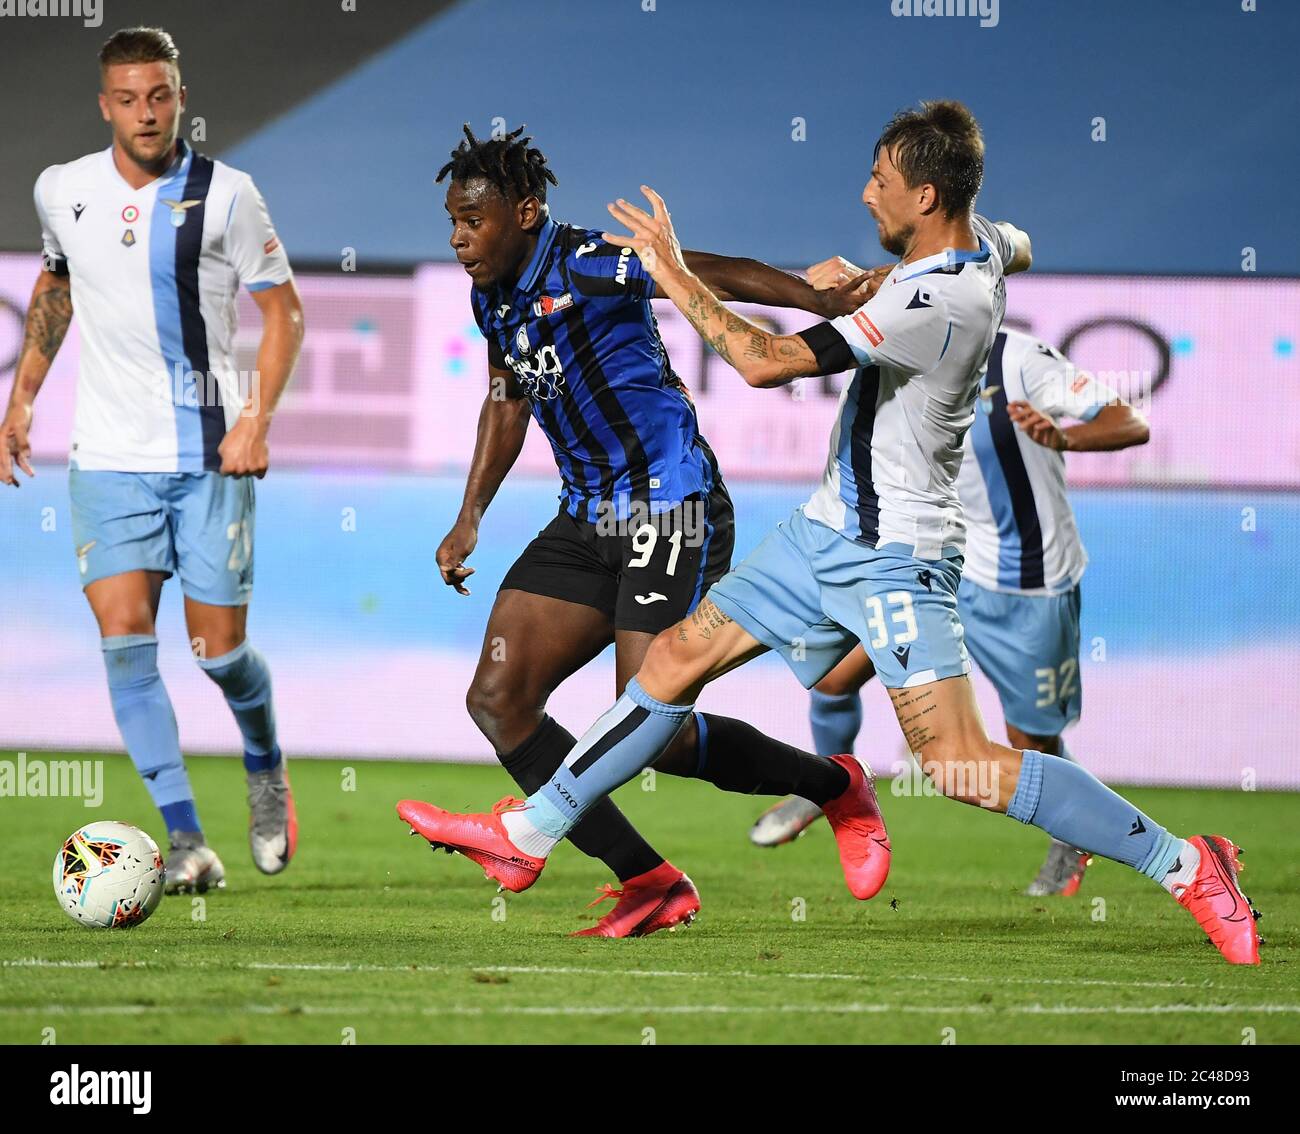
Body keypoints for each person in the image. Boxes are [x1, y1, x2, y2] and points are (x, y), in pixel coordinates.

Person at [398, 101, 1261, 966]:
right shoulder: (977, 248)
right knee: (669, 667)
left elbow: (764, 362)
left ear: (926, 196)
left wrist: (670, 270)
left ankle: (1188, 863)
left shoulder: (932, 301)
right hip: (822, 533)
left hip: (895, 556)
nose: (864, 194)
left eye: (880, 183)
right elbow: (1014, 241)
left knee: (960, 765)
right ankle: (536, 834)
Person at [430, 124, 874, 935]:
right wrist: (470, 516)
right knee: (500, 699)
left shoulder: (589, 262)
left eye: (473, 220)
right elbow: (507, 396)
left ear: (525, 211)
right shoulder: (490, 295)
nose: (459, 239)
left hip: (671, 506)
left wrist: (811, 298)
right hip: (587, 515)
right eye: (452, 223)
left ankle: (835, 787)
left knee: (654, 730)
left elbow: (697, 270)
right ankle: (651, 880)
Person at [0, 27, 305, 893]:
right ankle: (185, 841)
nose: (145, 112)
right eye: (128, 98)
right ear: (105, 104)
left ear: (179, 95)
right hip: (106, 460)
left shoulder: (230, 196)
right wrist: (20, 401)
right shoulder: (62, 190)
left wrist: (255, 421)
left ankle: (264, 760)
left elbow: (286, 314)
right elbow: (56, 285)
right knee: (125, 642)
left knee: (217, 655)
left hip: (209, 455)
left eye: (160, 95)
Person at [751, 323, 1150, 900]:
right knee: (832, 676)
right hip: (930, 560)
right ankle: (829, 784)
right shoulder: (893, 347)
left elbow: (1129, 422)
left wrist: (1067, 439)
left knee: (1028, 747)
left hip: (1024, 581)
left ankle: (1077, 835)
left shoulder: (1020, 360)